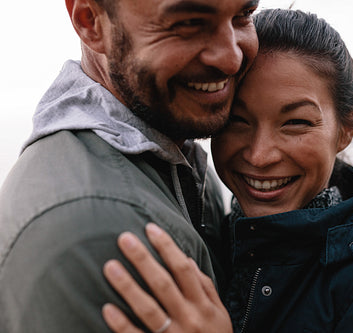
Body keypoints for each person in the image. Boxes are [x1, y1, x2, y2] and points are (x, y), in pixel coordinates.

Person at [101, 8, 353, 333]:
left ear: (345, 129)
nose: (260, 156)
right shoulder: (228, 235)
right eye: (237, 120)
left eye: (295, 123)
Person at [0, 0, 260, 331]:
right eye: (190, 22)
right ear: (90, 21)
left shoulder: (179, 158)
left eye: (244, 15)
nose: (231, 56)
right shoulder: (98, 234)